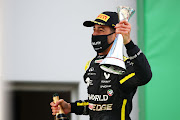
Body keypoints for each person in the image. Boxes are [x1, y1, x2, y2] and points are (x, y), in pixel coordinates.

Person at [50, 11, 152, 120]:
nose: (95, 34)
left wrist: (129, 43)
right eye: (94, 29)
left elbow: (144, 76)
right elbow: (95, 105)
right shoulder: (91, 64)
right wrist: (70, 107)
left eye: (101, 30)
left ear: (116, 34)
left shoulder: (123, 65)